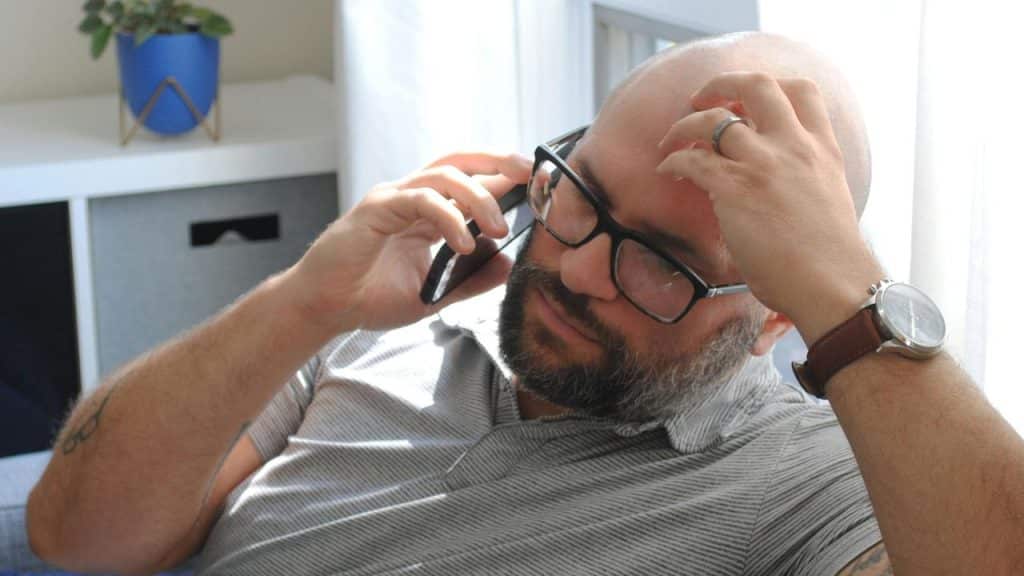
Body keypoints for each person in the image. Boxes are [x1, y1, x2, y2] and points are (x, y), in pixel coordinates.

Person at [26, 31, 1024, 575]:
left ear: (775, 313)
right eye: (581, 193)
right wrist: (298, 303)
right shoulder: (389, 326)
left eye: (662, 261)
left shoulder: (814, 488)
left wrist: (848, 300)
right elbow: (76, 536)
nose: (582, 268)